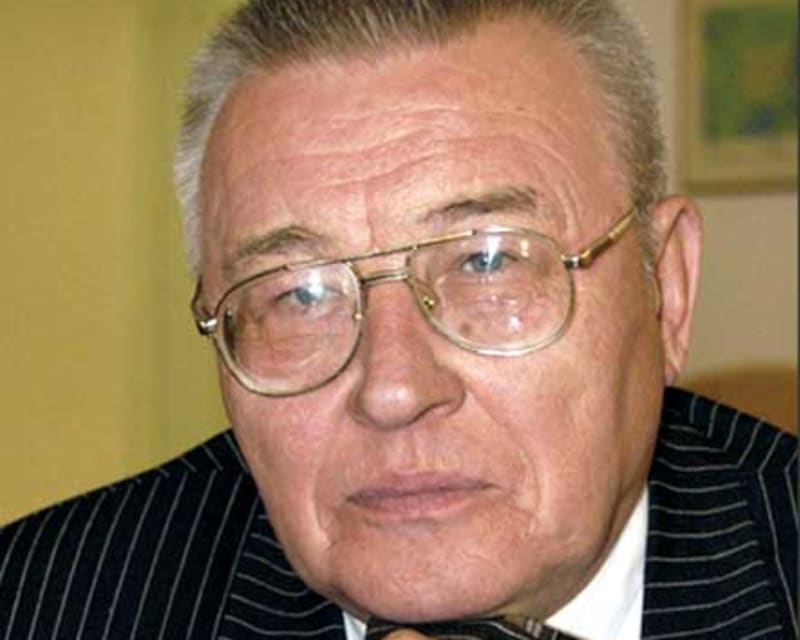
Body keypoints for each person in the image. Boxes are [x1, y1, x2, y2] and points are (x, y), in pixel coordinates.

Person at [1, 1, 796, 638]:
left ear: (667, 287)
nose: (392, 390)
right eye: (299, 294)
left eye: (486, 262)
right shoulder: (42, 604)